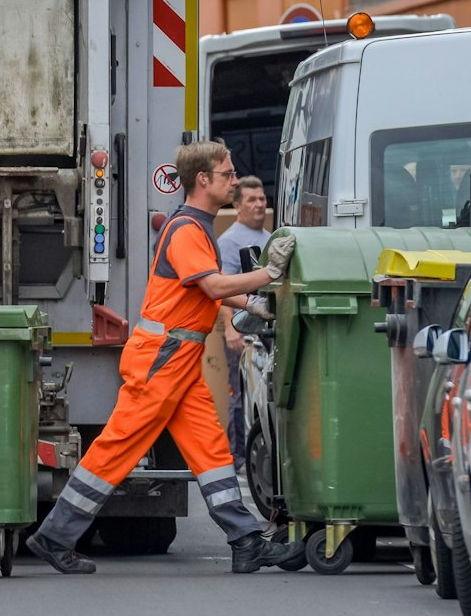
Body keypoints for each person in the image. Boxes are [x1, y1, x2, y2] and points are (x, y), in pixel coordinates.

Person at [26, 141, 297, 575]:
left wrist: (253, 304)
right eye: (226, 174)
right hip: (163, 360)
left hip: (177, 360)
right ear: (203, 180)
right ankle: (54, 537)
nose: (232, 179)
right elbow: (210, 286)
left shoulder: (196, 226)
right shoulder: (187, 228)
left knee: (210, 450)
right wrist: (269, 276)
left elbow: (203, 291)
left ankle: (246, 541)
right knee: (117, 449)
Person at [214, 176, 272, 468]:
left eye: (261, 198)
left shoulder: (269, 238)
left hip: (266, 329)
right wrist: (230, 328)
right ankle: (236, 455)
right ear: (237, 206)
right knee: (240, 392)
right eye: (251, 199)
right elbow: (223, 288)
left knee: (262, 392)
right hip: (243, 328)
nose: (259, 204)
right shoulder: (230, 242)